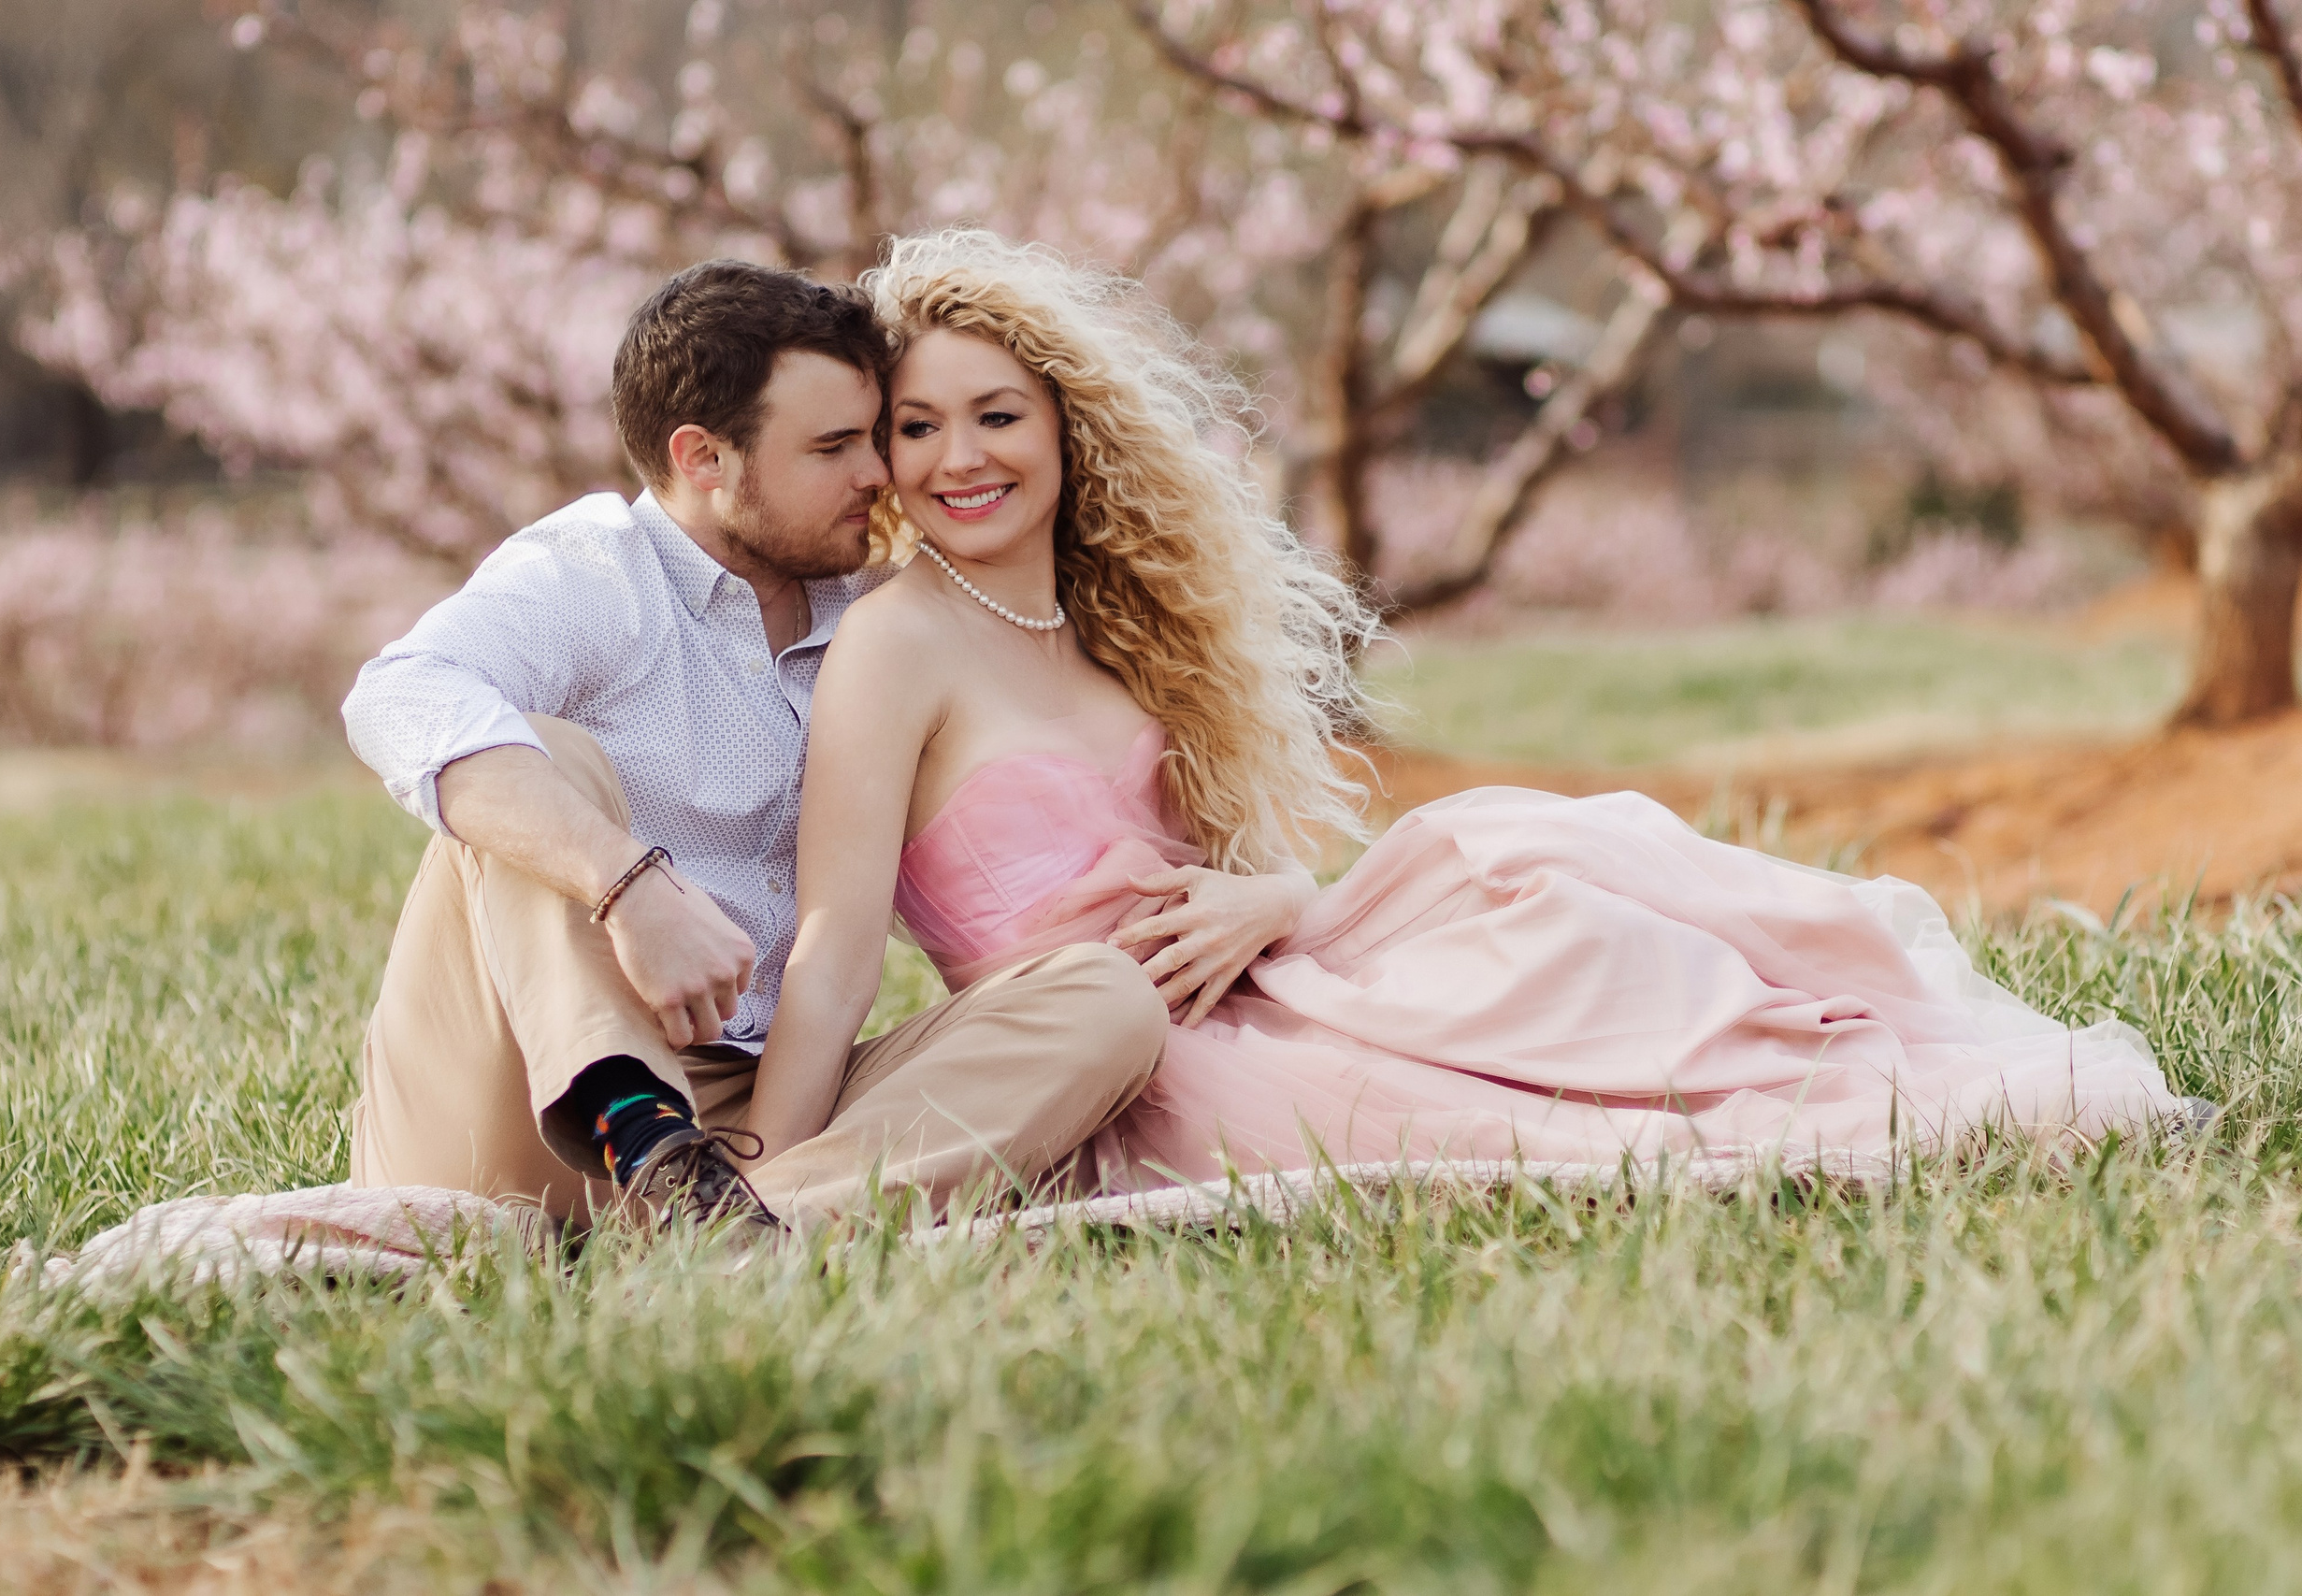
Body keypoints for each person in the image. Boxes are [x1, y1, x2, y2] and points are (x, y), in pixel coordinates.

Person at [743, 228, 2184, 1191]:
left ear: (1065, 424)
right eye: (913, 429)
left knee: (1530, 870)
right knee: (1481, 1118)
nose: (955, 459)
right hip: (1130, 1058)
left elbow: (1198, 859)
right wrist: (757, 1165)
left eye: (994, 413)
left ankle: (1797, 1036)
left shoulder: (1107, 629)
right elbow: (838, 936)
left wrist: (1272, 898)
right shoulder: (895, 646)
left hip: (1249, 971)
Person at [340, 260, 1167, 1235]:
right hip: (515, 1106)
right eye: (832, 447)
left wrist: (1264, 892)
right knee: (536, 758)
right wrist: (628, 884)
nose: (877, 474)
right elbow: (399, 692)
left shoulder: (872, 613)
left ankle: (745, 1234)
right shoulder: (596, 574)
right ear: (704, 460)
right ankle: (635, 1124)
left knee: (1104, 1000)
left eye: (872, 438)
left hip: (744, 1116)